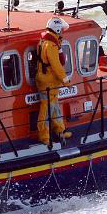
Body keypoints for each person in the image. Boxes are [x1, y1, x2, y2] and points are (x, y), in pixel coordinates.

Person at [35, 17, 72, 145]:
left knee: (55, 107)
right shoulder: (50, 45)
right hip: (48, 82)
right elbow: (56, 65)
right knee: (46, 109)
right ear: (57, 29)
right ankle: (44, 136)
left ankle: (60, 131)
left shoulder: (45, 41)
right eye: (61, 30)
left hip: (50, 82)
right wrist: (65, 80)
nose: (62, 32)